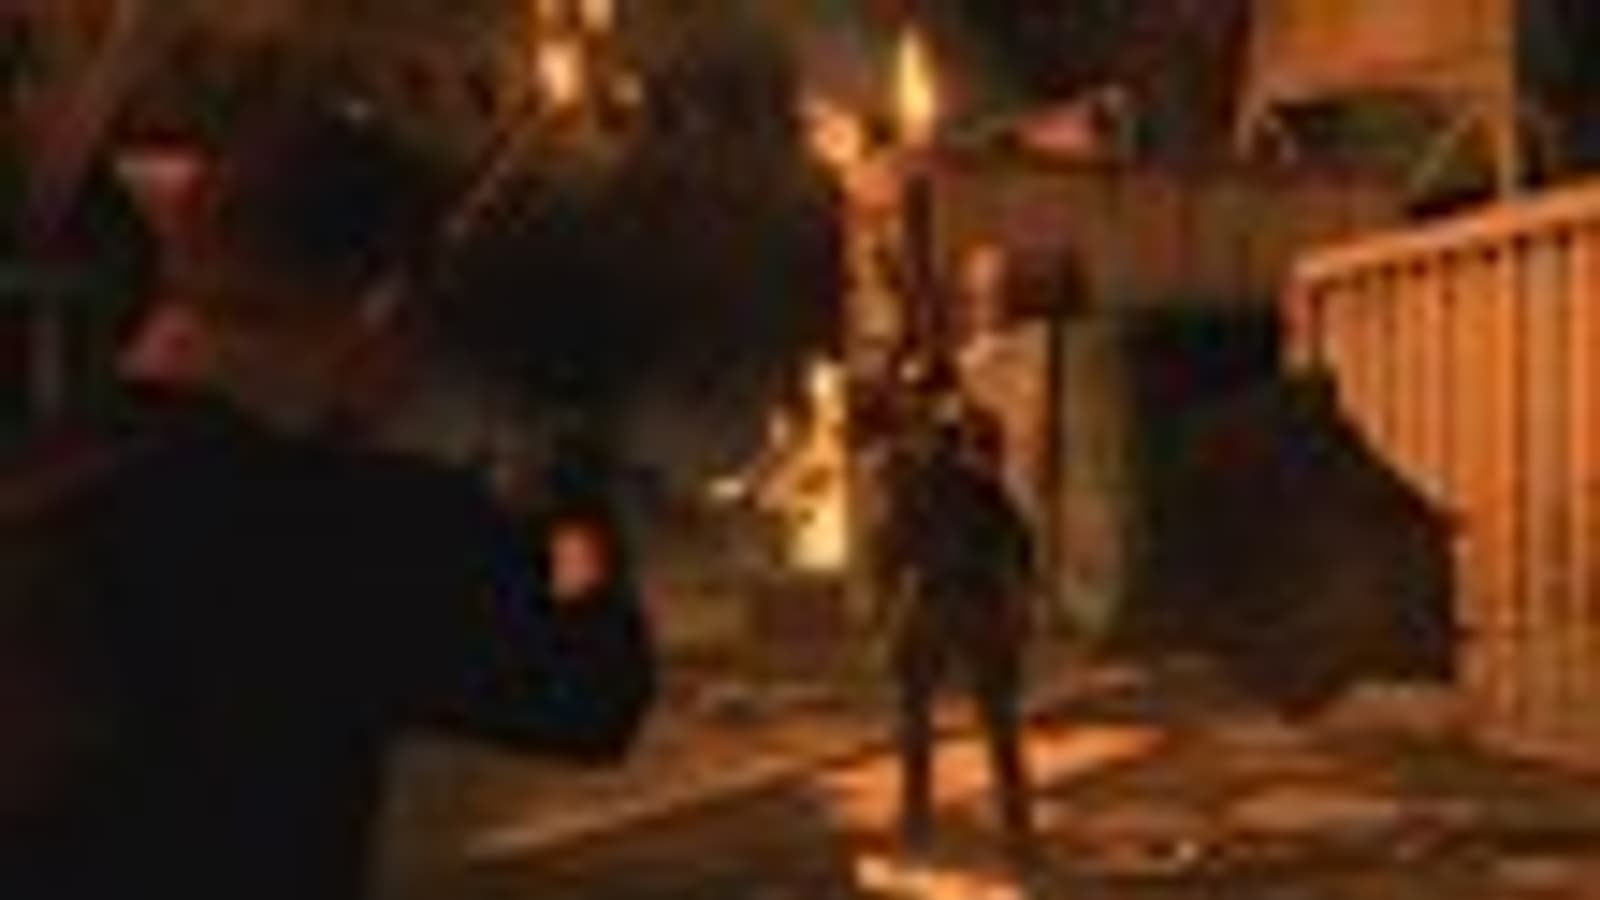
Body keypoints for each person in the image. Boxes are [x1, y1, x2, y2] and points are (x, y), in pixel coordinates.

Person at [0, 90, 656, 899]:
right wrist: (574, 515)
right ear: (382, 308)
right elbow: (594, 694)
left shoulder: (35, 467)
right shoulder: (351, 526)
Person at [881, 389, 1039, 863]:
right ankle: (1016, 828)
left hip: (935, 605)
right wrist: (1020, 606)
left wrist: (887, 615)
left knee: (916, 719)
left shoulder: (914, 489)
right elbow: (1021, 547)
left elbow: (891, 554)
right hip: (976, 606)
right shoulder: (981, 488)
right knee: (998, 721)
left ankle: (917, 824)